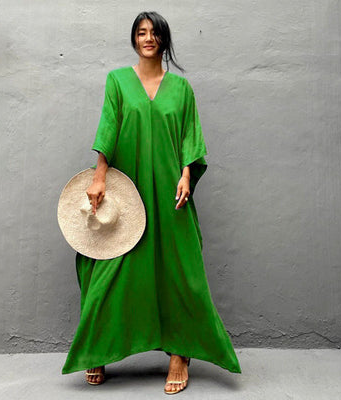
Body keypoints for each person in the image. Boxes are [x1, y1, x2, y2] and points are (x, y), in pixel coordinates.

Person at [62, 11, 242, 394]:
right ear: (134, 39)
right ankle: (97, 348)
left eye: (154, 32)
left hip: (170, 194)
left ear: (164, 40)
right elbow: (108, 127)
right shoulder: (118, 82)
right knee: (109, 270)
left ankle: (179, 352)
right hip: (128, 193)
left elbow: (191, 137)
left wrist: (187, 173)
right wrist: (98, 177)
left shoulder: (181, 89)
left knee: (179, 272)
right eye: (141, 32)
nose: (148, 38)